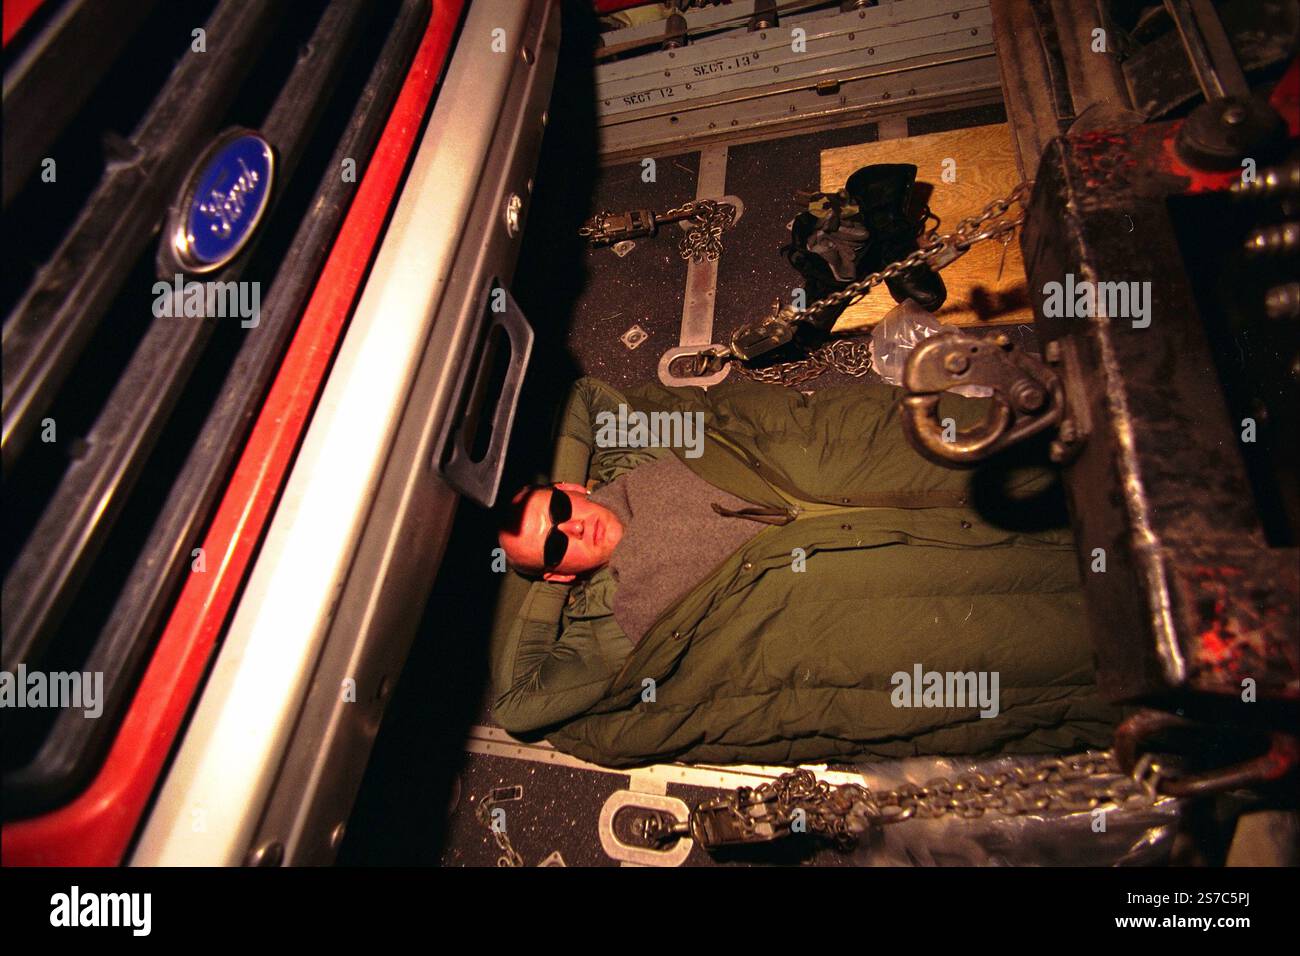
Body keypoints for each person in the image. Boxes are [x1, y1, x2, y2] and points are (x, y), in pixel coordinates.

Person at [490, 376, 1121, 768]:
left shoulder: (645, 442)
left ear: (571, 485)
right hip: (874, 594)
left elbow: (584, 398)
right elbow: (519, 704)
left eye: (562, 508)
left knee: (1079, 474)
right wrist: (547, 587)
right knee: (1064, 629)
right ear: (554, 577)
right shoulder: (611, 631)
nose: (574, 528)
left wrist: (553, 499)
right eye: (553, 549)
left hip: (878, 482)